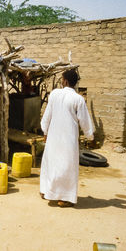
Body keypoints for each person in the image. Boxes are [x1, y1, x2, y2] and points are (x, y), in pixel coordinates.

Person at [40, 69, 94, 207]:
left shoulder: (54, 94)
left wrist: (45, 131)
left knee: (51, 163)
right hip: (68, 139)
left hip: (53, 136)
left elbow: (47, 116)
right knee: (67, 166)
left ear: (65, 81)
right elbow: (85, 121)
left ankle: (46, 191)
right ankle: (64, 198)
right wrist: (90, 135)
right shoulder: (78, 99)